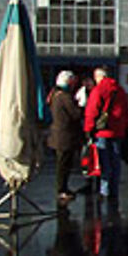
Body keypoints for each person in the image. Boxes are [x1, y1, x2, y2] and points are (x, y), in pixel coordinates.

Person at [83, 67, 128, 202]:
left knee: (103, 161)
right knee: (116, 161)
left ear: (99, 77)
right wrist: (125, 128)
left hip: (102, 131)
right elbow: (126, 111)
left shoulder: (98, 90)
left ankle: (104, 190)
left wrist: (88, 129)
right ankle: (114, 189)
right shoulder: (120, 90)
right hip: (118, 130)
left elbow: (92, 111)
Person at [48, 70, 84, 206]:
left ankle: (62, 188)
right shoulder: (64, 97)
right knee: (63, 165)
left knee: (62, 164)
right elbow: (75, 114)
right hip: (65, 136)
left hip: (58, 134)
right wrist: (81, 106)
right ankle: (61, 190)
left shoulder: (55, 95)